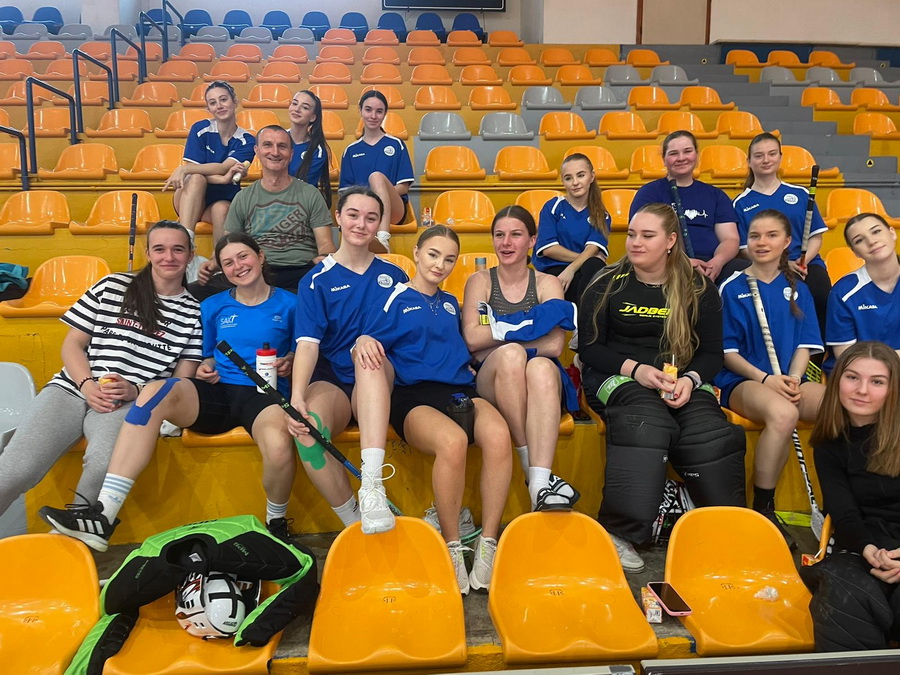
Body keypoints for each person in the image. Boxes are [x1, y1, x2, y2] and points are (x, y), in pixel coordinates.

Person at [39, 233, 299, 551]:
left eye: (243, 256)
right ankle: (104, 514)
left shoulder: (291, 303)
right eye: (228, 262)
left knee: (279, 447)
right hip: (217, 392)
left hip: (263, 395)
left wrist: (290, 360)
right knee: (154, 391)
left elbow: (303, 350)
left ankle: (276, 522)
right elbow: (205, 356)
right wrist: (205, 366)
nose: (238, 266)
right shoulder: (212, 305)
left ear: (260, 257)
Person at [579, 202, 746, 573]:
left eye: (647, 235)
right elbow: (589, 350)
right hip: (617, 375)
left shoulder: (699, 288)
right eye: (632, 234)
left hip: (679, 378)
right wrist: (637, 370)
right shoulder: (606, 283)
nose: (635, 243)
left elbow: (712, 354)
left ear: (670, 240)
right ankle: (619, 532)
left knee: (710, 433)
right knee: (647, 422)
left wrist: (690, 380)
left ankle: (724, 528)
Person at [0, 221, 202, 525]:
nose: (168, 257)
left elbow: (180, 381)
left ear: (190, 255)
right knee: (15, 470)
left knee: (103, 468)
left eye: (178, 249)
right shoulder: (112, 285)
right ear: (148, 253)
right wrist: (86, 384)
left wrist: (136, 390)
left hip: (127, 402)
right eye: (159, 249)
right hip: (71, 388)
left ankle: (74, 536)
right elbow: (72, 345)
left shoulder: (194, 312)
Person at [354, 225, 512, 594]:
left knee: (499, 435)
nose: (440, 264)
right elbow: (368, 343)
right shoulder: (395, 298)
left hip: (458, 390)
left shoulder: (451, 303)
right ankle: (451, 545)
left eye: (449, 259)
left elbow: (463, 348)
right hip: (413, 396)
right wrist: (361, 340)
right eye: (433, 254)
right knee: (453, 442)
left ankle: (488, 544)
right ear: (417, 253)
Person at [288, 187, 408, 535]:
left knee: (369, 358)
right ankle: (353, 522)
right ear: (338, 218)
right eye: (353, 215)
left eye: (371, 218)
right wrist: (297, 396)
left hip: (380, 377)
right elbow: (307, 345)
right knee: (306, 431)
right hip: (335, 382)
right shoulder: (316, 280)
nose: (361, 224)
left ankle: (372, 485)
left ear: (379, 224)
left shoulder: (395, 277)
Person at [461, 205, 581, 513]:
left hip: (539, 382)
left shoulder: (546, 283)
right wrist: (530, 329)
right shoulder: (480, 281)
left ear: (532, 240)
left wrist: (498, 336)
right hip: (492, 381)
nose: (506, 243)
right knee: (513, 355)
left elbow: (554, 345)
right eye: (499, 235)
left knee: (539, 366)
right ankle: (534, 470)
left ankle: (537, 483)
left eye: (516, 235)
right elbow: (472, 340)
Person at [715, 210, 825, 539]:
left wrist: (793, 378)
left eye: (771, 235)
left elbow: (805, 345)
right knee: (783, 413)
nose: (762, 242)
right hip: (743, 380)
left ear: (787, 241)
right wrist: (767, 380)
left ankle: (846, 499)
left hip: (790, 378)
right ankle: (764, 508)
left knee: (839, 406)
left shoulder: (799, 288)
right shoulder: (731, 287)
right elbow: (727, 353)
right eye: (755, 236)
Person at [804, 341, 900, 651]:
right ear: (837, 381)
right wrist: (870, 550)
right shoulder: (829, 443)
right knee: (843, 592)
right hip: (865, 546)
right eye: (852, 377)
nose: (862, 390)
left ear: (893, 389)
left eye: (877, 382)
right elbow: (844, 514)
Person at [194, 125, 336, 297]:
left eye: (282, 146)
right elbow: (229, 244)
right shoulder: (243, 197)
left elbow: (325, 244)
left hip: (300, 271)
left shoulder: (311, 194)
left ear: (291, 154)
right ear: (257, 151)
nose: (275, 152)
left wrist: (324, 256)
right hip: (253, 271)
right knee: (193, 290)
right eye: (267, 145)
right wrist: (213, 263)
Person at [733, 132, 831, 342]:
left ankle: (820, 355)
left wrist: (802, 262)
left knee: (821, 293)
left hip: (805, 264)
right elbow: (744, 248)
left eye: (772, 154)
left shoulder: (801, 194)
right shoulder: (740, 203)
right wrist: (782, 265)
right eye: (759, 155)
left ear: (780, 157)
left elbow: (815, 237)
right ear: (749, 161)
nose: (766, 160)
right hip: (764, 266)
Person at [629, 130, 743, 283]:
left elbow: (730, 238)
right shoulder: (649, 193)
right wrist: (683, 263)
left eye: (687, 151)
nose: (681, 158)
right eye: (673, 153)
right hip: (666, 264)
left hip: (711, 265)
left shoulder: (716, 195)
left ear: (696, 154)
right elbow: (642, 238)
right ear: (664, 159)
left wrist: (717, 262)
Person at [163, 81, 255, 246]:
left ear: (235, 101)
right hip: (188, 197)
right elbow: (194, 174)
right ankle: (186, 243)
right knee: (197, 178)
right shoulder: (200, 129)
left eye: (223, 99)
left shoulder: (247, 140)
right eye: (213, 103)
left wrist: (185, 169)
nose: (219, 106)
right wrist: (222, 179)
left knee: (222, 209)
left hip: (221, 198)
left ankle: (218, 257)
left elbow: (223, 168)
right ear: (209, 109)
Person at [339, 90, 414, 253]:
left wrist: (379, 197)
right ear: (360, 110)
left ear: (385, 114)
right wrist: (367, 202)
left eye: (379, 111)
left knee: (376, 177)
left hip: (394, 210)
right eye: (368, 110)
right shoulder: (351, 150)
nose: (373, 116)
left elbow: (403, 187)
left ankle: (383, 239)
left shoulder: (396, 144)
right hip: (362, 210)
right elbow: (346, 192)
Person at [825, 213, 900, 370]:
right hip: (863, 374)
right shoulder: (843, 292)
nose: (871, 241)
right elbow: (846, 357)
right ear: (855, 252)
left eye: (876, 231)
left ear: (892, 233)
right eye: (859, 240)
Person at [534, 152, 611, 302]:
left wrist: (571, 269)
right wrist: (584, 259)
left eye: (580, 175)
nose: (575, 182)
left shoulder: (601, 215)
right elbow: (549, 249)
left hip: (583, 271)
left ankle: (586, 316)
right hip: (554, 271)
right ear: (563, 181)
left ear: (592, 176)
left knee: (594, 266)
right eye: (568, 178)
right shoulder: (553, 206)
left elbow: (592, 249)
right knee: (593, 262)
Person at [288, 89, 332, 207]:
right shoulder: (276, 140)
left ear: (312, 117)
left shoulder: (318, 150)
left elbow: (302, 188)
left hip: (302, 205)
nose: (297, 109)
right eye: (294, 103)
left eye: (305, 107)